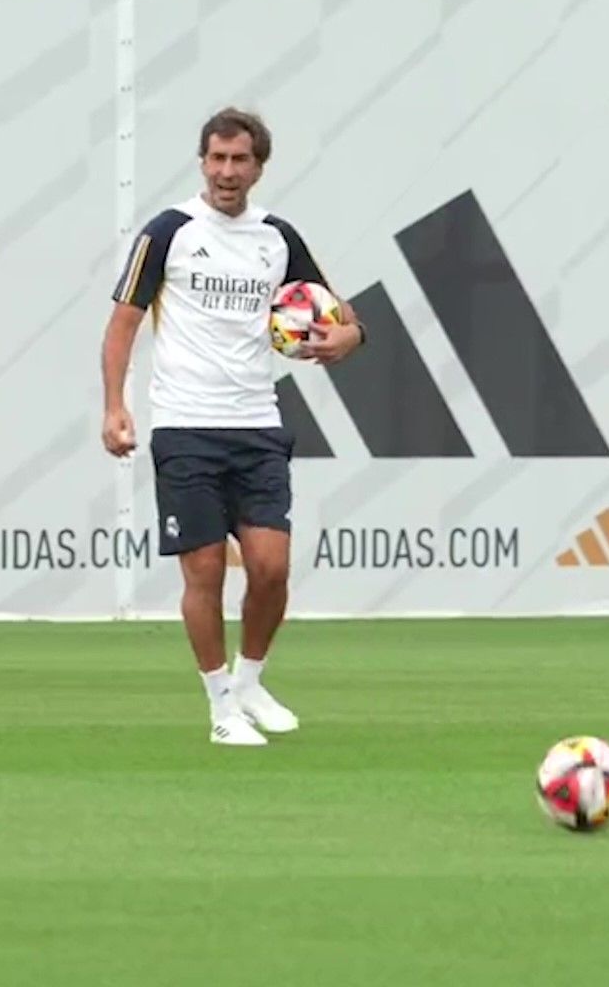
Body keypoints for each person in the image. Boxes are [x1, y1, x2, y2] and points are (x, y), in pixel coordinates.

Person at [98, 107, 365, 747]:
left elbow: (345, 317)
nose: (226, 171)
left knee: (271, 568)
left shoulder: (277, 238)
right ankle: (220, 709)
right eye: (216, 159)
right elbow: (122, 324)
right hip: (186, 427)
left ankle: (250, 683)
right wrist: (114, 405)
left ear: (258, 167)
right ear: (202, 162)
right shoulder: (169, 232)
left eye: (238, 160)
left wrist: (346, 339)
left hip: (257, 424)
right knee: (206, 572)